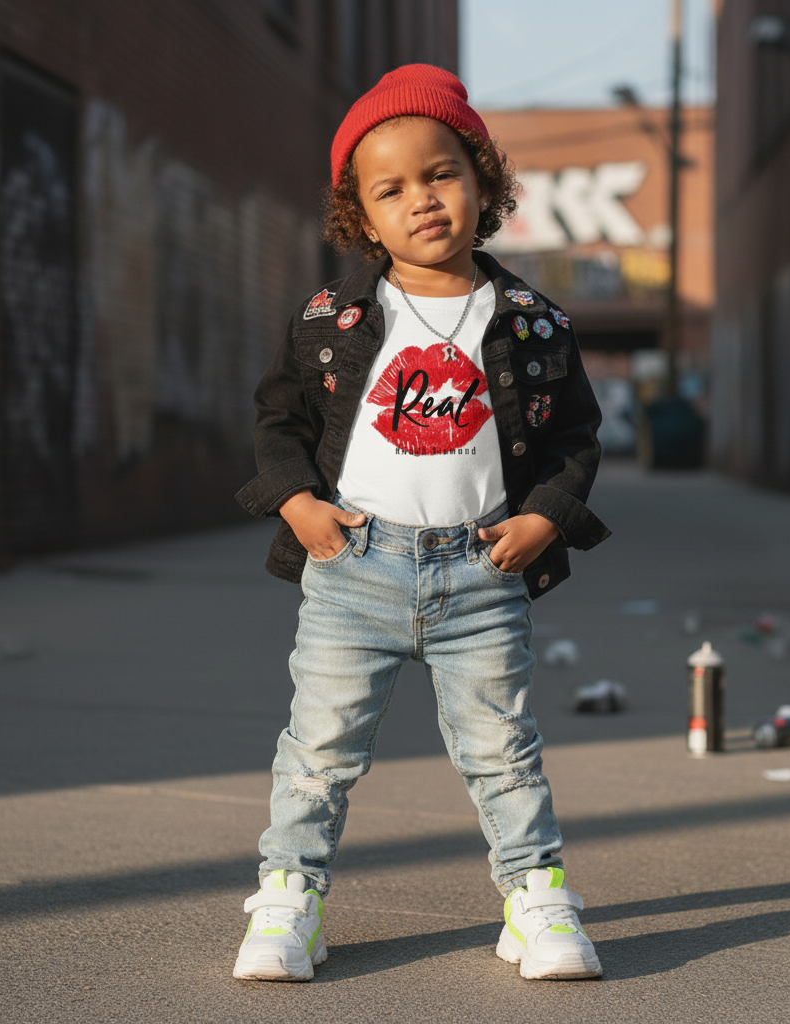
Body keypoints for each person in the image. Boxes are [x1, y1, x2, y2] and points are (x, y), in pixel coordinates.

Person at [232, 64, 610, 983]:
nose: (422, 200)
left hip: (482, 574)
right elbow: (279, 418)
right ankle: (289, 898)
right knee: (319, 748)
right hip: (353, 565)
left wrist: (544, 522)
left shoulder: (529, 323)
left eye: (441, 173)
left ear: (483, 181)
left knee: (503, 751)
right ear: (361, 216)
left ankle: (536, 899)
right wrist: (294, 503)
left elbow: (575, 437)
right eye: (390, 188)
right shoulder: (334, 318)